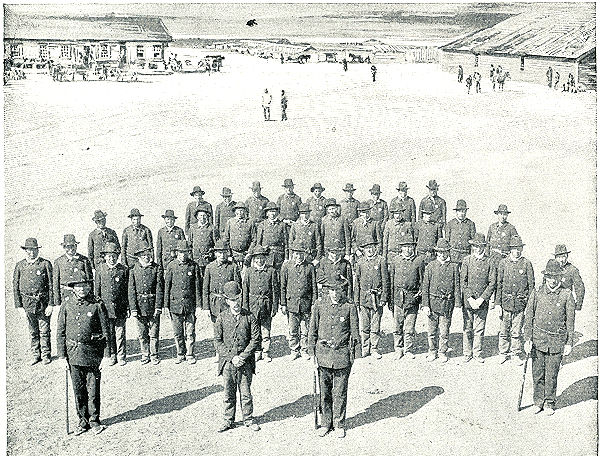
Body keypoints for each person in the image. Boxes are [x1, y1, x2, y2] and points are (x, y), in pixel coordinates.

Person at [56, 278, 111, 436]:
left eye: (85, 286)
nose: (82, 289)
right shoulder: (66, 305)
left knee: (93, 389)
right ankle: (82, 420)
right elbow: (60, 332)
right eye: (78, 286)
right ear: (73, 288)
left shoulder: (97, 304)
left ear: (89, 287)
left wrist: (106, 355)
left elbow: (106, 331)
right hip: (73, 354)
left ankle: (94, 420)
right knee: (78, 389)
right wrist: (61, 357)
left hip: (92, 353)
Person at [308, 282, 360, 438]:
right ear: (328, 291)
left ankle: (339, 424)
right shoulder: (319, 305)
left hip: (342, 355)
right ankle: (325, 423)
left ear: (343, 290)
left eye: (338, 290)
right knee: (324, 393)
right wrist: (312, 354)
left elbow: (355, 333)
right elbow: (313, 330)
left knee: (340, 392)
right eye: (332, 290)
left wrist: (354, 356)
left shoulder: (349, 306)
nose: (335, 293)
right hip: (323, 355)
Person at [523, 259, 575, 416]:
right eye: (549, 276)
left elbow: (570, 322)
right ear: (545, 277)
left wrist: (569, 342)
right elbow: (529, 316)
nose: (553, 280)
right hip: (538, 340)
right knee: (537, 373)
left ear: (560, 277)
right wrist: (527, 338)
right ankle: (538, 401)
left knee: (552, 374)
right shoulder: (537, 292)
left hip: (556, 342)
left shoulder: (566, 295)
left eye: (556, 277)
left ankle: (549, 402)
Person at [13, 238, 54, 365]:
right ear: (25, 251)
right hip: (27, 304)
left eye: (34, 250)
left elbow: (52, 285)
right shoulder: (20, 265)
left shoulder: (45, 264)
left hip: (43, 303)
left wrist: (51, 304)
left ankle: (46, 354)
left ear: (37, 250)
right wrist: (19, 306)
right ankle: (36, 355)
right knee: (33, 331)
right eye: (29, 250)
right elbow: (15, 286)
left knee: (44, 330)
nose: (31, 253)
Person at [495, 235, 535, 364]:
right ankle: (503, 352)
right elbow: (498, 284)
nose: (516, 251)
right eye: (514, 249)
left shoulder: (526, 263)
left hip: (520, 304)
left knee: (517, 331)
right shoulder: (503, 263)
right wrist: (497, 304)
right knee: (504, 330)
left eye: (518, 249)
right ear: (510, 249)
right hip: (506, 302)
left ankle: (516, 353)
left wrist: (529, 305)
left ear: (521, 249)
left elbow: (531, 286)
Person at [421, 239, 461, 363]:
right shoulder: (431, 266)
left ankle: (442, 351)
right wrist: (425, 305)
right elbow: (425, 287)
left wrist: (457, 304)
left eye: (445, 252)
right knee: (432, 330)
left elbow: (457, 286)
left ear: (448, 252)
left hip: (447, 304)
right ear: (437, 252)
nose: (443, 254)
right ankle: (432, 351)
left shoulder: (454, 267)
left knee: (444, 330)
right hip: (433, 303)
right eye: (440, 252)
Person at [164, 240, 202, 364]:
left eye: (185, 252)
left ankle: (190, 353)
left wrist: (199, 305)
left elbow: (197, 286)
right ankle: (180, 353)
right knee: (178, 332)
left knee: (190, 332)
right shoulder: (171, 266)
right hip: (175, 305)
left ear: (188, 253)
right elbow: (167, 287)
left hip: (189, 305)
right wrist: (166, 305)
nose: (183, 255)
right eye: (180, 252)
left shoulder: (194, 266)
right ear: (176, 253)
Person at [460, 233, 495, 363]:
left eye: (480, 246)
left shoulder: (490, 261)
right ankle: (467, 353)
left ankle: (477, 353)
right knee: (468, 327)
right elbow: (463, 282)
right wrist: (470, 298)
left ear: (484, 247)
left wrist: (481, 299)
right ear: (473, 246)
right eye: (476, 246)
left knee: (479, 329)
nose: (478, 249)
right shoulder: (467, 260)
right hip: (469, 302)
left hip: (482, 302)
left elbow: (492, 283)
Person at [388, 233, 425, 359]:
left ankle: (408, 349)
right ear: (401, 248)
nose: (408, 249)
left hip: (412, 298)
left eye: (410, 247)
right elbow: (391, 281)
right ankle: (398, 348)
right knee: (398, 325)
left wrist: (420, 297)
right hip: (398, 297)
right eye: (405, 247)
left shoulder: (419, 261)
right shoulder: (396, 260)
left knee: (409, 327)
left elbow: (422, 281)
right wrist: (391, 300)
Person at [94, 242, 129, 366]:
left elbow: (127, 290)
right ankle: (112, 355)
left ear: (117, 256)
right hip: (105, 309)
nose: (111, 258)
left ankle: (121, 355)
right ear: (104, 256)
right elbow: (97, 291)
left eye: (114, 255)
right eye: (109, 255)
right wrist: (98, 307)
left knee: (120, 333)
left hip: (120, 308)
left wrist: (128, 307)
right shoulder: (100, 270)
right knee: (108, 333)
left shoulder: (123, 270)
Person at [280, 244, 318, 360]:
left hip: (305, 304)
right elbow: (283, 286)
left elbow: (314, 287)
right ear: (293, 254)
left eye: (301, 254)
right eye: (296, 254)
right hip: (292, 304)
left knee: (305, 329)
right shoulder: (287, 267)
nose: (299, 256)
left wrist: (313, 303)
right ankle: (294, 349)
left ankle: (304, 349)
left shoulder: (310, 267)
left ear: (304, 254)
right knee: (293, 329)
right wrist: (283, 304)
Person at [242, 246, 279, 362]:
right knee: (254, 329)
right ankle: (257, 351)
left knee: (266, 329)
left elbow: (275, 291)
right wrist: (245, 307)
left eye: (262, 258)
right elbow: (245, 291)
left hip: (266, 305)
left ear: (265, 258)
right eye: (257, 258)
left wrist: (274, 307)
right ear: (253, 259)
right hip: (252, 306)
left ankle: (266, 352)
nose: (259, 261)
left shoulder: (271, 271)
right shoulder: (248, 272)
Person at [128, 244, 164, 365]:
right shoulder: (133, 270)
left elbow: (159, 289)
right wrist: (133, 308)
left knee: (154, 333)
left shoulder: (156, 268)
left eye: (148, 255)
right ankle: (145, 354)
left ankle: (154, 355)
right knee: (142, 334)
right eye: (143, 255)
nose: (146, 257)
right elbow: (131, 290)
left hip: (153, 305)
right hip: (139, 306)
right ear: (138, 257)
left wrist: (158, 307)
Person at [354, 240, 389, 359]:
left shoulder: (381, 260)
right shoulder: (360, 262)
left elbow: (385, 280)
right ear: (363, 250)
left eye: (372, 247)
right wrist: (357, 300)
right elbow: (357, 282)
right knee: (364, 325)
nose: (370, 250)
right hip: (364, 298)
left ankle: (374, 348)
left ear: (375, 248)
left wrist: (384, 297)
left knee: (375, 325)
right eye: (367, 248)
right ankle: (365, 348)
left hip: (377, 298)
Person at [203, 239, 242, 324]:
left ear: (228, 253)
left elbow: (238, 287)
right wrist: (206, 307)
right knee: (217, 328)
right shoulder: (210, 267)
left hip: (228, 303)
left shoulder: (233, 267)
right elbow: (205, 289)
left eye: (224, 252)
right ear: (215, 253)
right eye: (220, 253)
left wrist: (236, 304)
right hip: (215, 304)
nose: (222, 255)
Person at [53, 234, 93, 308]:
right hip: (65, 296)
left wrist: (90, 297)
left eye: (73, 246)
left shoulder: (84, 260)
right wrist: (57, 302)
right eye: (68, 246)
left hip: (81, 295)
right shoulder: (58, 262)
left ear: (76, 246)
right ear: (64, 247)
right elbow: (55, 284)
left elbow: (89, 281)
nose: (71, 249)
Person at [253, 202, 288, 272]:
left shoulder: (282, 225)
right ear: (267, 213)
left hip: (279, 256)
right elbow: (258, 243)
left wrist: (286, 258)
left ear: (277, 213)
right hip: (267, 255)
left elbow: (286, 243)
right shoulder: (262, 225)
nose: (272, 214)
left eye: (274, 211)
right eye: (270, 211)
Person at [223, 202, 256, 270]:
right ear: (235, 211)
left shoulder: (250, 222)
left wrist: (249, 253)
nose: (240, 212)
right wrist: (229, 254)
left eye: (242, 210)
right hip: (233, 255)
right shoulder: (230, 222)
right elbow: (226, 239)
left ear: (245, 211)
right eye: (238, 210)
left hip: (246, 255)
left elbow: (254, 239)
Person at [552, 244, 585, 311]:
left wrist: (578, 304)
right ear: (555, 258)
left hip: (566, 302)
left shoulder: (572, 270)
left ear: (567, 257)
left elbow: (579, 287)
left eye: (563, 257)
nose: (561, 260)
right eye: (559, 257)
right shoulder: (551, 269)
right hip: (552, 302)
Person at [445, 199, 476, 267]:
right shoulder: (450, 224)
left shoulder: (470, 224)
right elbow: (447, 241)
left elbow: (474, 241)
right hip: (453, 255)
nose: (461, 213)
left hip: (466, 255)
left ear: (466, 212)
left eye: (463, 211)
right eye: (459, 211)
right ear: (456, 212)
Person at [486, 204, 518, 269]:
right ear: (497, 214)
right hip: (493, 258)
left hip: (505, 258)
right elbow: (487, 244)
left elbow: (516, 243)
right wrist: (487, 257)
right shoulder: (492, 227)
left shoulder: (511, 228)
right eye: (501, 214)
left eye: (505, 214)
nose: (503, 217)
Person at [383, 201, 414, 265]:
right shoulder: (389, 224)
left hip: (402, 255)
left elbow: (410, 242)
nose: (398, 216)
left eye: (400, 213)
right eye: (396, 213)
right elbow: (385, 242)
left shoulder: (407, 225)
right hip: (391, 255)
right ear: (393, 214)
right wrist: (384, 257)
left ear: (402, 213)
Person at [189, 207, 218, 275]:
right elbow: (190, 243)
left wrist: (211, 254)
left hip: (208, 259)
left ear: (207, 216)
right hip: (196, 259)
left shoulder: (212, 228)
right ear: (197, 217)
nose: (202, 217)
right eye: (200, 215)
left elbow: (216, 244)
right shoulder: (192, 228)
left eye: (204, 215)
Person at [156, 210, 186, 274]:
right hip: (165, 262)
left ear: (174, 220)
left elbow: (184, 246)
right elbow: (159, 249)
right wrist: (159, 264)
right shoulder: (161, 231)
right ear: (164, 220)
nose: (169, 221)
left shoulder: (179, 231)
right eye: (167, 219)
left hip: (177, 261)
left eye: (171, 219)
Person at [414, 200, 443, 264]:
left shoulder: (436, 225)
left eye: (430, 214)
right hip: (420, 253)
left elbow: (439, 240)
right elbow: (415, 239)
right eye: (427, 214)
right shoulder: (418, 224)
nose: (429, 216)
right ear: (423, 214)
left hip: (432, 254)